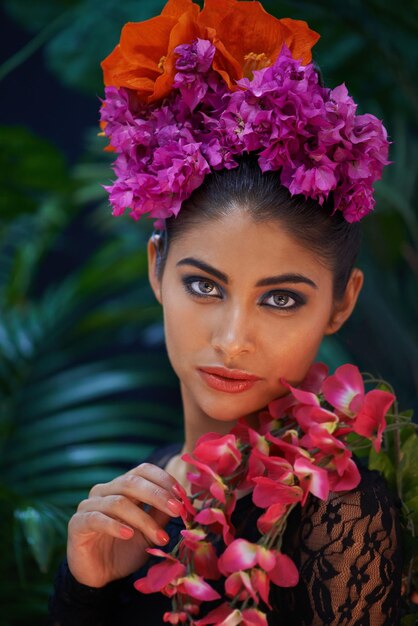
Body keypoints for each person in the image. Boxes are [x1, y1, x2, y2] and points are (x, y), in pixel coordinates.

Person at [48, 1, 402, 624]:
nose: (233, 339)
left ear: (341, 303)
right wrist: (88, 589)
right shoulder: (145, 490)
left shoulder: (342, 518)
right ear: (157, 268)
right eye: (205, 287)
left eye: (282, 299)